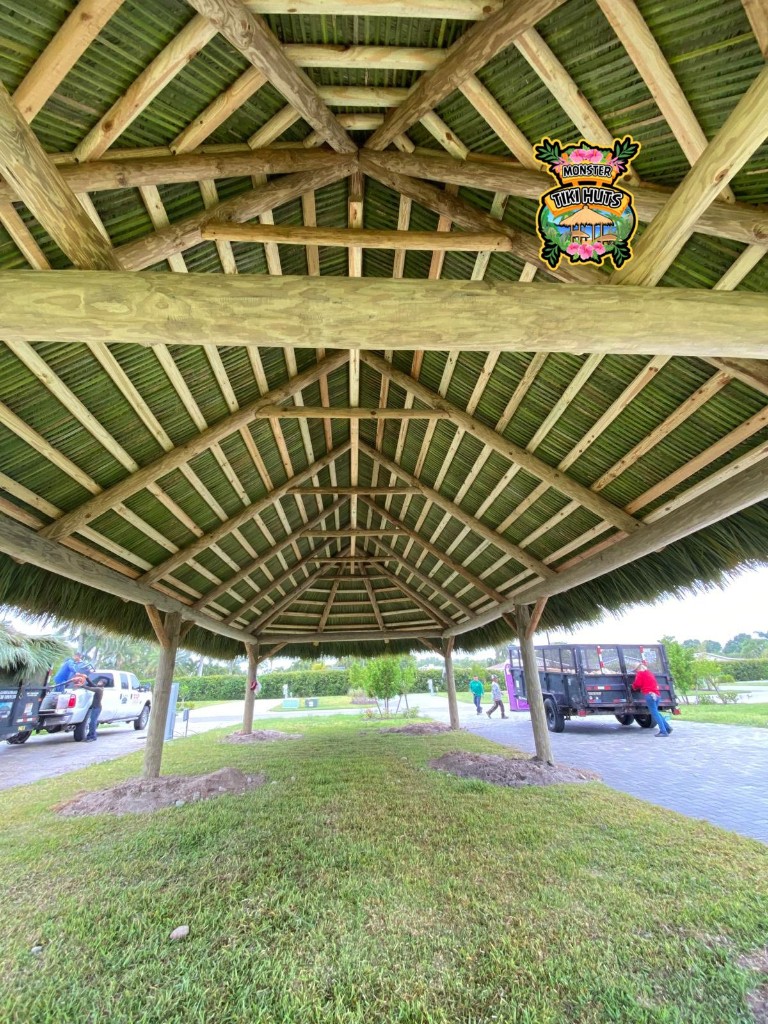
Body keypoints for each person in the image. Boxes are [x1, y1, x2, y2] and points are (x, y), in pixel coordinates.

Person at [631, 663, 672, 736]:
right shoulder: (649, 673)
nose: (635, 672)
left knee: (655, 714)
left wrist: (633, 686)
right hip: (657, 695)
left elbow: (638, 684)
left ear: (637, 669)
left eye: (635, 670)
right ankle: (667, 728)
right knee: (656, 712)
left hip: (650, 695)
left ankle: (663, 731)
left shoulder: (640, 674)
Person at [82, 673, 106, 741]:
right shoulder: (98, 688)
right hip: (95, 708)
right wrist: (87, 678)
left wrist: (81, 685)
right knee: (91, 722)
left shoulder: (99, 689)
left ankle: (93, 736)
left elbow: (90, 688)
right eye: (99, 681)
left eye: (100, 682)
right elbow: (91, 684)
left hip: (97, 708)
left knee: (92, 723)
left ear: (103, 684)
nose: (99, 682)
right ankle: (90, 736)